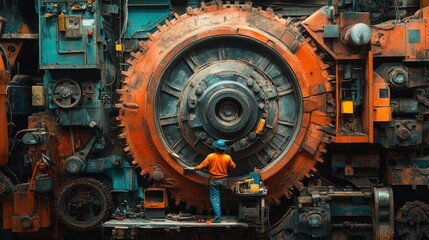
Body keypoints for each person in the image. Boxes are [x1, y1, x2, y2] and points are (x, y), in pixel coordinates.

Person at [185, 139, 236, 223]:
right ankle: (218, 213)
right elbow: (233, 166)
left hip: (214, 180)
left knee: (215, 199)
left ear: (215, 148)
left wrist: (192, 169)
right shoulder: (228, 157)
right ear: (224, 149)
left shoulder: (211, 156)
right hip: (224, 181)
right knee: (219, 198)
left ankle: (218, 218)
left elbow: (201, 166)